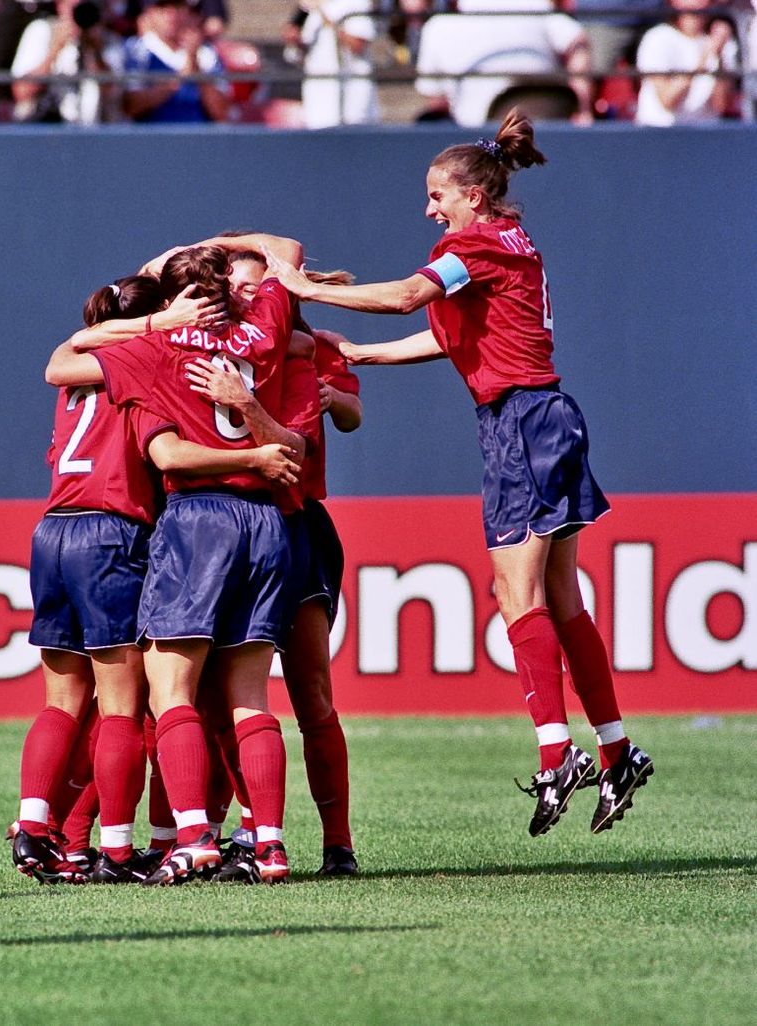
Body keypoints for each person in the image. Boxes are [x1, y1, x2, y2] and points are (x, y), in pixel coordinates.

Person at [264, 110, 654, 839]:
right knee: (560, 597)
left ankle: (556, 752)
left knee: (516, 592)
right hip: (543, 416)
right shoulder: (502, 245)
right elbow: (448, 334)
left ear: (471, 195)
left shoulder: (470, 243)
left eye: (436, 193)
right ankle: (616, 748)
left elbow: (410, 295)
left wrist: (300, 286)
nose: (429, 207)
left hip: (524, 426)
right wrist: (364, 354)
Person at [17, 273, 299, 885]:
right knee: (180, 703)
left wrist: (150, 320)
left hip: (62, 527)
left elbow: (60, 363)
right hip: (163, 527)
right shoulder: (252, 340)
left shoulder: (120, 358)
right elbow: (170, 454)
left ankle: (59, 834)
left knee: (87, 703)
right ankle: (235, 840)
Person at [187, 249, 364, 877]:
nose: (238, 296)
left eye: (251, 286)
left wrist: (246, 400)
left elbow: (311, 436)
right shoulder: (206, 345)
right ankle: (237, 831)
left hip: (292, 525)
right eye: (231, 285)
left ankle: (336, 845)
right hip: (229, 531)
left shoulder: (305, 353)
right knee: (216, 698)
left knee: (309, 691)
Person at [415, 0, 594, 126]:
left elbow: (437, 104)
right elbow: (578, 43)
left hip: (480, 141)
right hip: (544, 130)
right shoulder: (537, 8)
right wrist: (584, 110)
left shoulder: (437, 27)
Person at [634, 0, 740, 126]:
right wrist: (704, 59)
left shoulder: (724, 43)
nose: (697, 5)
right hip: (660, 132)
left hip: (705, 134)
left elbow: (721, 105)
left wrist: (719, 56)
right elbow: (668, 101)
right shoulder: (656, 39)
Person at [121, 0, 230, 122]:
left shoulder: (207, 53)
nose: (172, 14)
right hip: (152, 138)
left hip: (197, 137)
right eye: (163, 7)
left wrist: (196, 66)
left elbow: (221, 113)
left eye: (178, 6)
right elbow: (130, 106)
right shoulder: (135, 50)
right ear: (150, 13)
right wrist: (176, 81)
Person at [286, 0, 380, 129]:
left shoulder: (357, 3)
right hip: (319, 98)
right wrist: (296, 40)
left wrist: (326, 15)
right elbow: (299, 56)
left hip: (351, 100)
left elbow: (358, 45)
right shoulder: (309, 10)